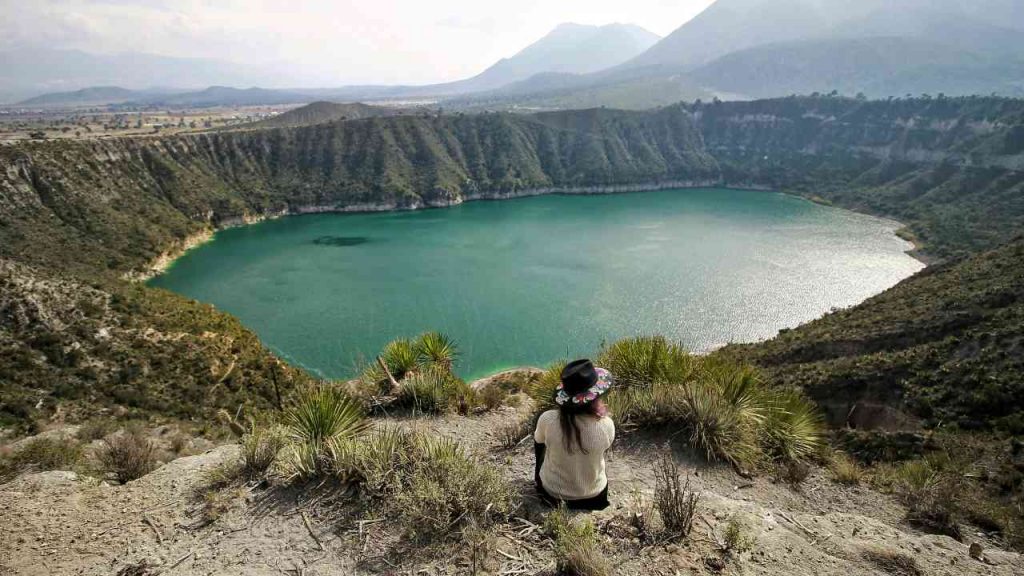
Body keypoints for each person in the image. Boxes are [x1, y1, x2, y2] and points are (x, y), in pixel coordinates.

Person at [534, 358, 615, 510]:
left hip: (552, 495)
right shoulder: (606, 425)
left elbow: (538, 445)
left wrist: (537, 477)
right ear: (595, 395)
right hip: (594, 496)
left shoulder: (547, 419)